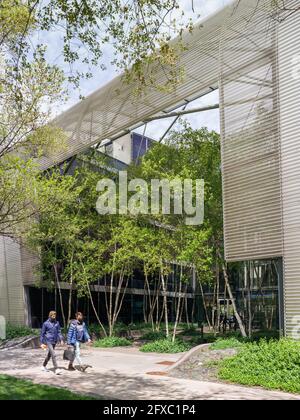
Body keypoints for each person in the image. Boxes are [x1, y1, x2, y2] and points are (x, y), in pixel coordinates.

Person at [40, 311, 64, 375]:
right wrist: (42, 343)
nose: (54, 317)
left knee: (49, 355)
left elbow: (59, 332)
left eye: (55, 316)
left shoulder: (57, 323)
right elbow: (42, 334)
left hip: (54, 341)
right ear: (50, 316)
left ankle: (43, 366)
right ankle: (56, 369)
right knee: (53, 354)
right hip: (48, 340)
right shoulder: (45, 323)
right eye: (53, 316)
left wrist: (61, 339)